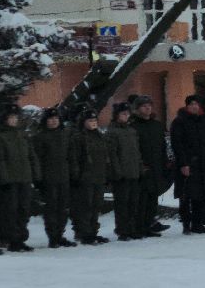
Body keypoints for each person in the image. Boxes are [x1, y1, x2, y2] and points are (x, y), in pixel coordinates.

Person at [67, 108, 113, 246]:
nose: (93, 123)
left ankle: (93, 232)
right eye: (90, 120)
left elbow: (105, 157)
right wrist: (76, 175)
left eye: (94, 120)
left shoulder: (99, 136)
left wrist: (107, 172)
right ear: (84, 122)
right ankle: (83, 233)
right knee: (84, 206)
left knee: (96, 205)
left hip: (98, 176)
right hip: (84, 177)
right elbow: (74, 158)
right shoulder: (78, 137)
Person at [170, 95, 205, 234]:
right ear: (187, 106)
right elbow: (177, 144)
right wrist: (183, 164)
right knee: (186, 195)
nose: (195, 106)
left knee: (201, 195)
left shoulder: (203, 122)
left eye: (197, 104)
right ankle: (186, 224)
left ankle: (197, 223)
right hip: (188, 164)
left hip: (202, 164)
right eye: (192, 104)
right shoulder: (179, 122)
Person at [31, 108, 74, 247]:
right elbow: (37, 159)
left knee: (63, 208)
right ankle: (53, 237)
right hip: (48, 178)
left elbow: (70, 156)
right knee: (51, 208)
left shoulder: (64, 135)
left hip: (64, 176)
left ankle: (60, 234)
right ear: (46, 121)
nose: (54, 121)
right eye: (51, 118)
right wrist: (38, 178)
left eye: (56, 118)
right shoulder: (40, 137)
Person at [131, 95, 170, 236]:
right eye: (144, 106)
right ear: (137, 109)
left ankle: (149, 224)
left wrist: (165, 163)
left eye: (149, 105)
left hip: (157, 166)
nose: (147, 108)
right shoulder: (133, 126)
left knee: (153, 197)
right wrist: (140, 165)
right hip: (142, 167)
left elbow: (162, 146)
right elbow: (133, 149)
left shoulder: (156, 125)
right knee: (142, 199)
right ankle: (139, 227)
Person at [107, 103, 145, 240]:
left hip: (133, 171)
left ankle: (132, 228)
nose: (126, 116)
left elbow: (137, 152)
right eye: (123, 114)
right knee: (122, 204)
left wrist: (140, 169)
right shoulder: (112, 132)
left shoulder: (131, 131)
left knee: (133, 202)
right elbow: (112, 155)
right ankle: (122, 230)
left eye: (127, 114)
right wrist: (117, 172)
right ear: (117, 115)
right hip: (121, 174)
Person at [0, 106, 33, 252]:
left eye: (15, 118)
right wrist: (4, 178)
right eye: (10, 118)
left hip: (23, 177)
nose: (13, 120)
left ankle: (20, 238)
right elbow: (1, 160)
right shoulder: (2, 136)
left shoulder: (22, 135)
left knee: (23, 209)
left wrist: (33, 174)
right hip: (10, 180)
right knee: (10, 211)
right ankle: (12, 239)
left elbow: (30, 156)